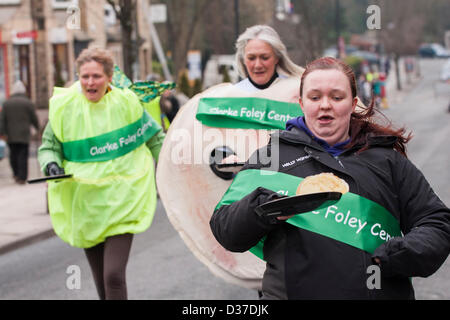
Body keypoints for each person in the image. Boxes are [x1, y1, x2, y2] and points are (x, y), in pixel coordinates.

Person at [210, 57, 450, 299]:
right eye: (315, 97)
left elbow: (436, 222)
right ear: (302, 103)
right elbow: (225, 229)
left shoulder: (387, 160)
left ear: (353, 103)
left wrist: (400, 253)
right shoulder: (271, 158)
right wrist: (263, 208)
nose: (325, 105)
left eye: (336, 97)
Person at [38, 48, 165, 300]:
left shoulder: (127, 103)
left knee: (113, 276)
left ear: (109, 77)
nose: (89, 82)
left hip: (123, 201)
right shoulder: (65, 107)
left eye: (96, 76)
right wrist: (51, 165)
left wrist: (173, 173)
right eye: (84, 76)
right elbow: (48, 147)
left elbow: (156, 139)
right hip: (85, 203)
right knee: (100, 282)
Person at [234, 25, 303, 92]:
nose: (258, 65)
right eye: (251, 58)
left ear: (277, 58)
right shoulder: (233, 96)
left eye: (265, 58)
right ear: (243, 60)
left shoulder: (295, 92)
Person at [0, 80, 39, 184]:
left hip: (10, 134)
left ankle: (16, 173)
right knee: (23, 154)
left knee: (13, 154)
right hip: (24, 133)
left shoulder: (7, 103)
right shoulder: (28, 102)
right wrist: (38, 128)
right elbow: (34, 118)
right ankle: (22, 177)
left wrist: (2, 132)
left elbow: (2, 119)